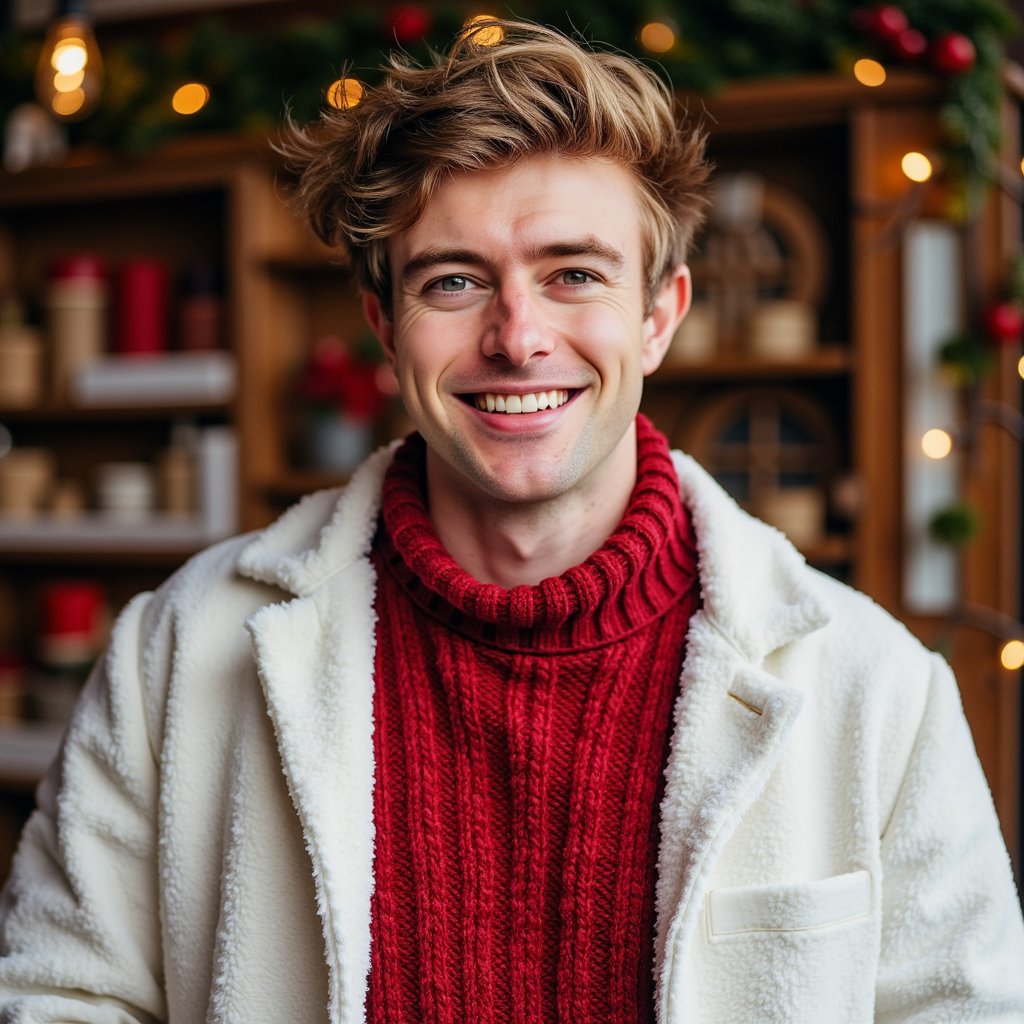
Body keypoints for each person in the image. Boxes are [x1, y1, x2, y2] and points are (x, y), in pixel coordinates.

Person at [1, 18, 1023, 1024]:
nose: (517, 337)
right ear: (382, 323)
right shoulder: (171, 654)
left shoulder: (875, 686)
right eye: (453, 281)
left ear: (659, 315)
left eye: (574, 274)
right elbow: (54, 993)